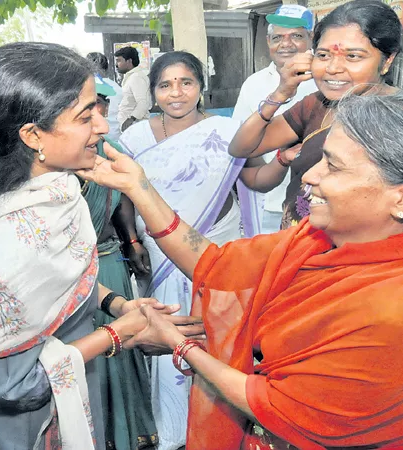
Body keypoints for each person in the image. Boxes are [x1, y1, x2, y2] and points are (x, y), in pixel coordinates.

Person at [79, 88, 403, 450]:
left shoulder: (402, 312)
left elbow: (279, 406)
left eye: (333, 165)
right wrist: (138, 186)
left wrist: (179, 344)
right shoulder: (321, 240)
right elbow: (216, 265)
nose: (310, 176)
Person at [0, 42, 203, 450]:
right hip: (14, 428)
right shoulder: (16, 233)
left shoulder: (54, 190)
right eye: (85, 115)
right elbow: (11, 387)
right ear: (33, 135)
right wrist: (121, 334)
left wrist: (117, 305)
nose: (104, 127)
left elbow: (58, 284)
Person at [117, 50, 277, 450]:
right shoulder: (134, 137)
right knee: (167, 331)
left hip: (217, 246)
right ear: (152, 91)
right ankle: (172, 431)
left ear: (200, 87)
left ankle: (221, 426)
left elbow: (256, 179)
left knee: (218, 335)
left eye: (186, 82)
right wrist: (132, 240)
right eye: (165, 85)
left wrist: (284, 162)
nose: (176, 93)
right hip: (158, 252)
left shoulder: (228, 131)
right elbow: (123, 196)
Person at [229, 0, 402, 229]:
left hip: (359, 256)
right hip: (297, 243)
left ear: (387, 60)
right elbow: (241, 149)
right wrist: (281, 93)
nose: (332, 68)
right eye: (323, 55)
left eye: (352, 56)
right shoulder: (316, 105)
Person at [84, 73, 158, 450]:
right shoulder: (51, 159)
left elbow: (122, 199)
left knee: (118, 349)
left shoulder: (110, 148)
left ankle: (125, 435)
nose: (99, 113)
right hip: (68, 277)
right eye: (87, 106)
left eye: (103, 104)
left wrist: (132, 240)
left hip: (108, 261)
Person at [233, 5, 317, 234]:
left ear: (311, 38)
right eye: (278, 37)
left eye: (296, 36)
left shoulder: (326, 80)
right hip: (267, 203)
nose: (286, 44)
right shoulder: (254, 84)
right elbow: (239, 141)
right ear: (268, 41)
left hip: (319, 203)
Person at [87, 52, 125, 142]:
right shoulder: (119, 90)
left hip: (93, 138)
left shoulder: (84, 90)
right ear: (107, 69)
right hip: (116, 137)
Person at [115, 47, 152, 133]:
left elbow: (143, 102)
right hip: (129, 128)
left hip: (136, 127)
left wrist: (131, 118)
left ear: (129, 61)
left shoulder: (137, 77)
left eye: (119, 60)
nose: (116, 65)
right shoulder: (130, 77)